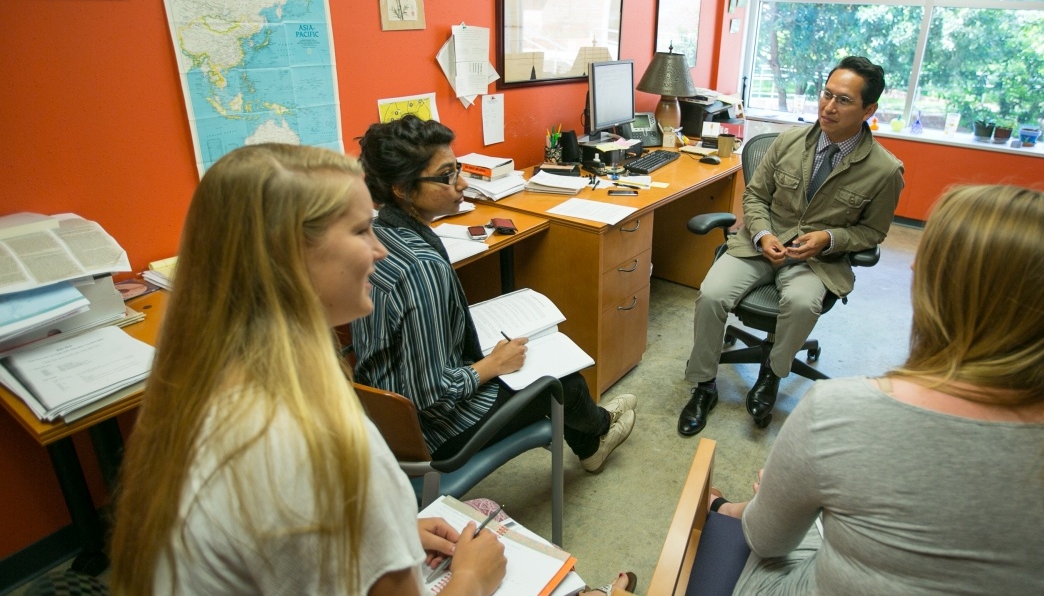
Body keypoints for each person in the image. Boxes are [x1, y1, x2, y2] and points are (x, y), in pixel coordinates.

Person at [108, 143, 634, 596]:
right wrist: (471, 580)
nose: (380, 249)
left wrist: (386, 529)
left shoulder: (199, 393)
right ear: (290, 258)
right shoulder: (331, 446)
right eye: (361, 231)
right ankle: (596, 436)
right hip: (442, 428)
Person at [708, 185, 1044, 595]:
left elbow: (765, 540)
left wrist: (776, 500)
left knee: (784, 515)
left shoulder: (841, 413)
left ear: (940, 290)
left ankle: (725, 509)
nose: (917, 264)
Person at [352, 116, 636, 474]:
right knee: (565, 381)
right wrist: (491, 366)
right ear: (401, 188)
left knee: (531, 357)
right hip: (433, 430)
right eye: (447, 176)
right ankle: (598, 435)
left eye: (457, 169)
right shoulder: (421, 268)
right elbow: (432, 396)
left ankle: (596, 428)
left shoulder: (377, 233)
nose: (463, 183)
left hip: (384, 412)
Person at [678, 55, 905, 436]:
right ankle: (704, 385)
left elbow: (873, 233)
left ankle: (772, 374)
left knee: (801, 303)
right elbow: (754, 197)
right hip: (759, 245)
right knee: (712, 294)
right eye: (826, 94)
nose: (828, 107)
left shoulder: (884, 170)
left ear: (869, 109)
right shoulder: (788, 141)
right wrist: (764, 234)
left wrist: (829, 239)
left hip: (816, 261)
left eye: (843, 101)